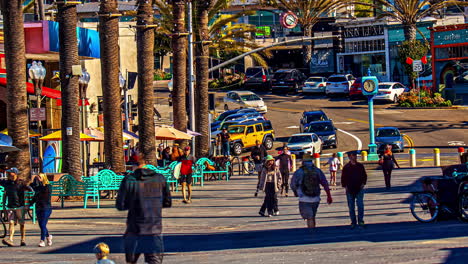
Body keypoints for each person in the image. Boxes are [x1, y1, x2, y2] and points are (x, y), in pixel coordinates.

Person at [116, 153, 172, 264]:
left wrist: (132, 203)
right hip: (154, 228)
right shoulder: (159, 178)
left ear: (133, 165)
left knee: (131, 260)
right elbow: (167, 202)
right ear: (146, 163)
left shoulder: (129, 179)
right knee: (155, 261)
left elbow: (120, 205)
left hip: (134, 228)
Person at [291, 155, 333, 229]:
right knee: (312, 216)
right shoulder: (317, 171)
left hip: (304, 198)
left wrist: (296, 192)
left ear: (303, 162)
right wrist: (329, 196)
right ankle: (313, 230)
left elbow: (293, 184)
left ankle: (311, 233)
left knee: (309, 218)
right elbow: (325, 183)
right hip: (316, 198)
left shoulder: (299, 172)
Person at [0, 167, 33, 247]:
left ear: (15, 174)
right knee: (11, 223)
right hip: (10, 206)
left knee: (22, 224)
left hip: (20, 207)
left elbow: (31, 190)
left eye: (10, 173)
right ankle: (10, 239)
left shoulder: (21, 183)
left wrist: (28, 203)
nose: (9, 175)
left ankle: (23, 239)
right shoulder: (7, 183)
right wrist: (4, 206)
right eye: (8, 173)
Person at [341, 151, 368, 229]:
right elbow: (343, 178)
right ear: (349, 157)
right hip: (350, 189)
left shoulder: (360, 166)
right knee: (351, 207)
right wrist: (345, 186)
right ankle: (353, 222)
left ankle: (360, 220)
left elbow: (364, 175)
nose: (354, 157)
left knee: (360, 205)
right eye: (353, 156)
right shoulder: (346, 167)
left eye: (355, 155)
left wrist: (363, 184)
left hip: (359, 188)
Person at [30, 173, 53, 247]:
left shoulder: (48, 187)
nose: (38, 179)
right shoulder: (37, 187)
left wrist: (39, 186)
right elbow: (35, 197)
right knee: (41, 225)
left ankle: (42, 240)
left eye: (39, 177)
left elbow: (44, 192)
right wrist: (29, 204)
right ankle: (48, 236)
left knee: (43, 224)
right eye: (37, 178)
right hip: (38, 207)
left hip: (46, 208)